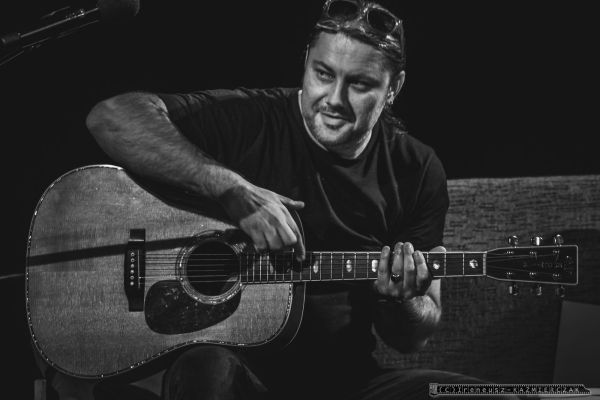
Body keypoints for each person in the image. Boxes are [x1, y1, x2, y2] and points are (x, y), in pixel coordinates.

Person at [79, 1, 513, 399]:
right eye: (323, 74)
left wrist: (402, 298)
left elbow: (413, 337)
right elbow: (111, 118)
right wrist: (232, 189)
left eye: (360, 84)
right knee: (206, 370)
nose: (334, 99)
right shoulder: (251, 120)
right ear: (306, 61)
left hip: (345, 383)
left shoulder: (416, 170)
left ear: (393, 87)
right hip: (234, 375)